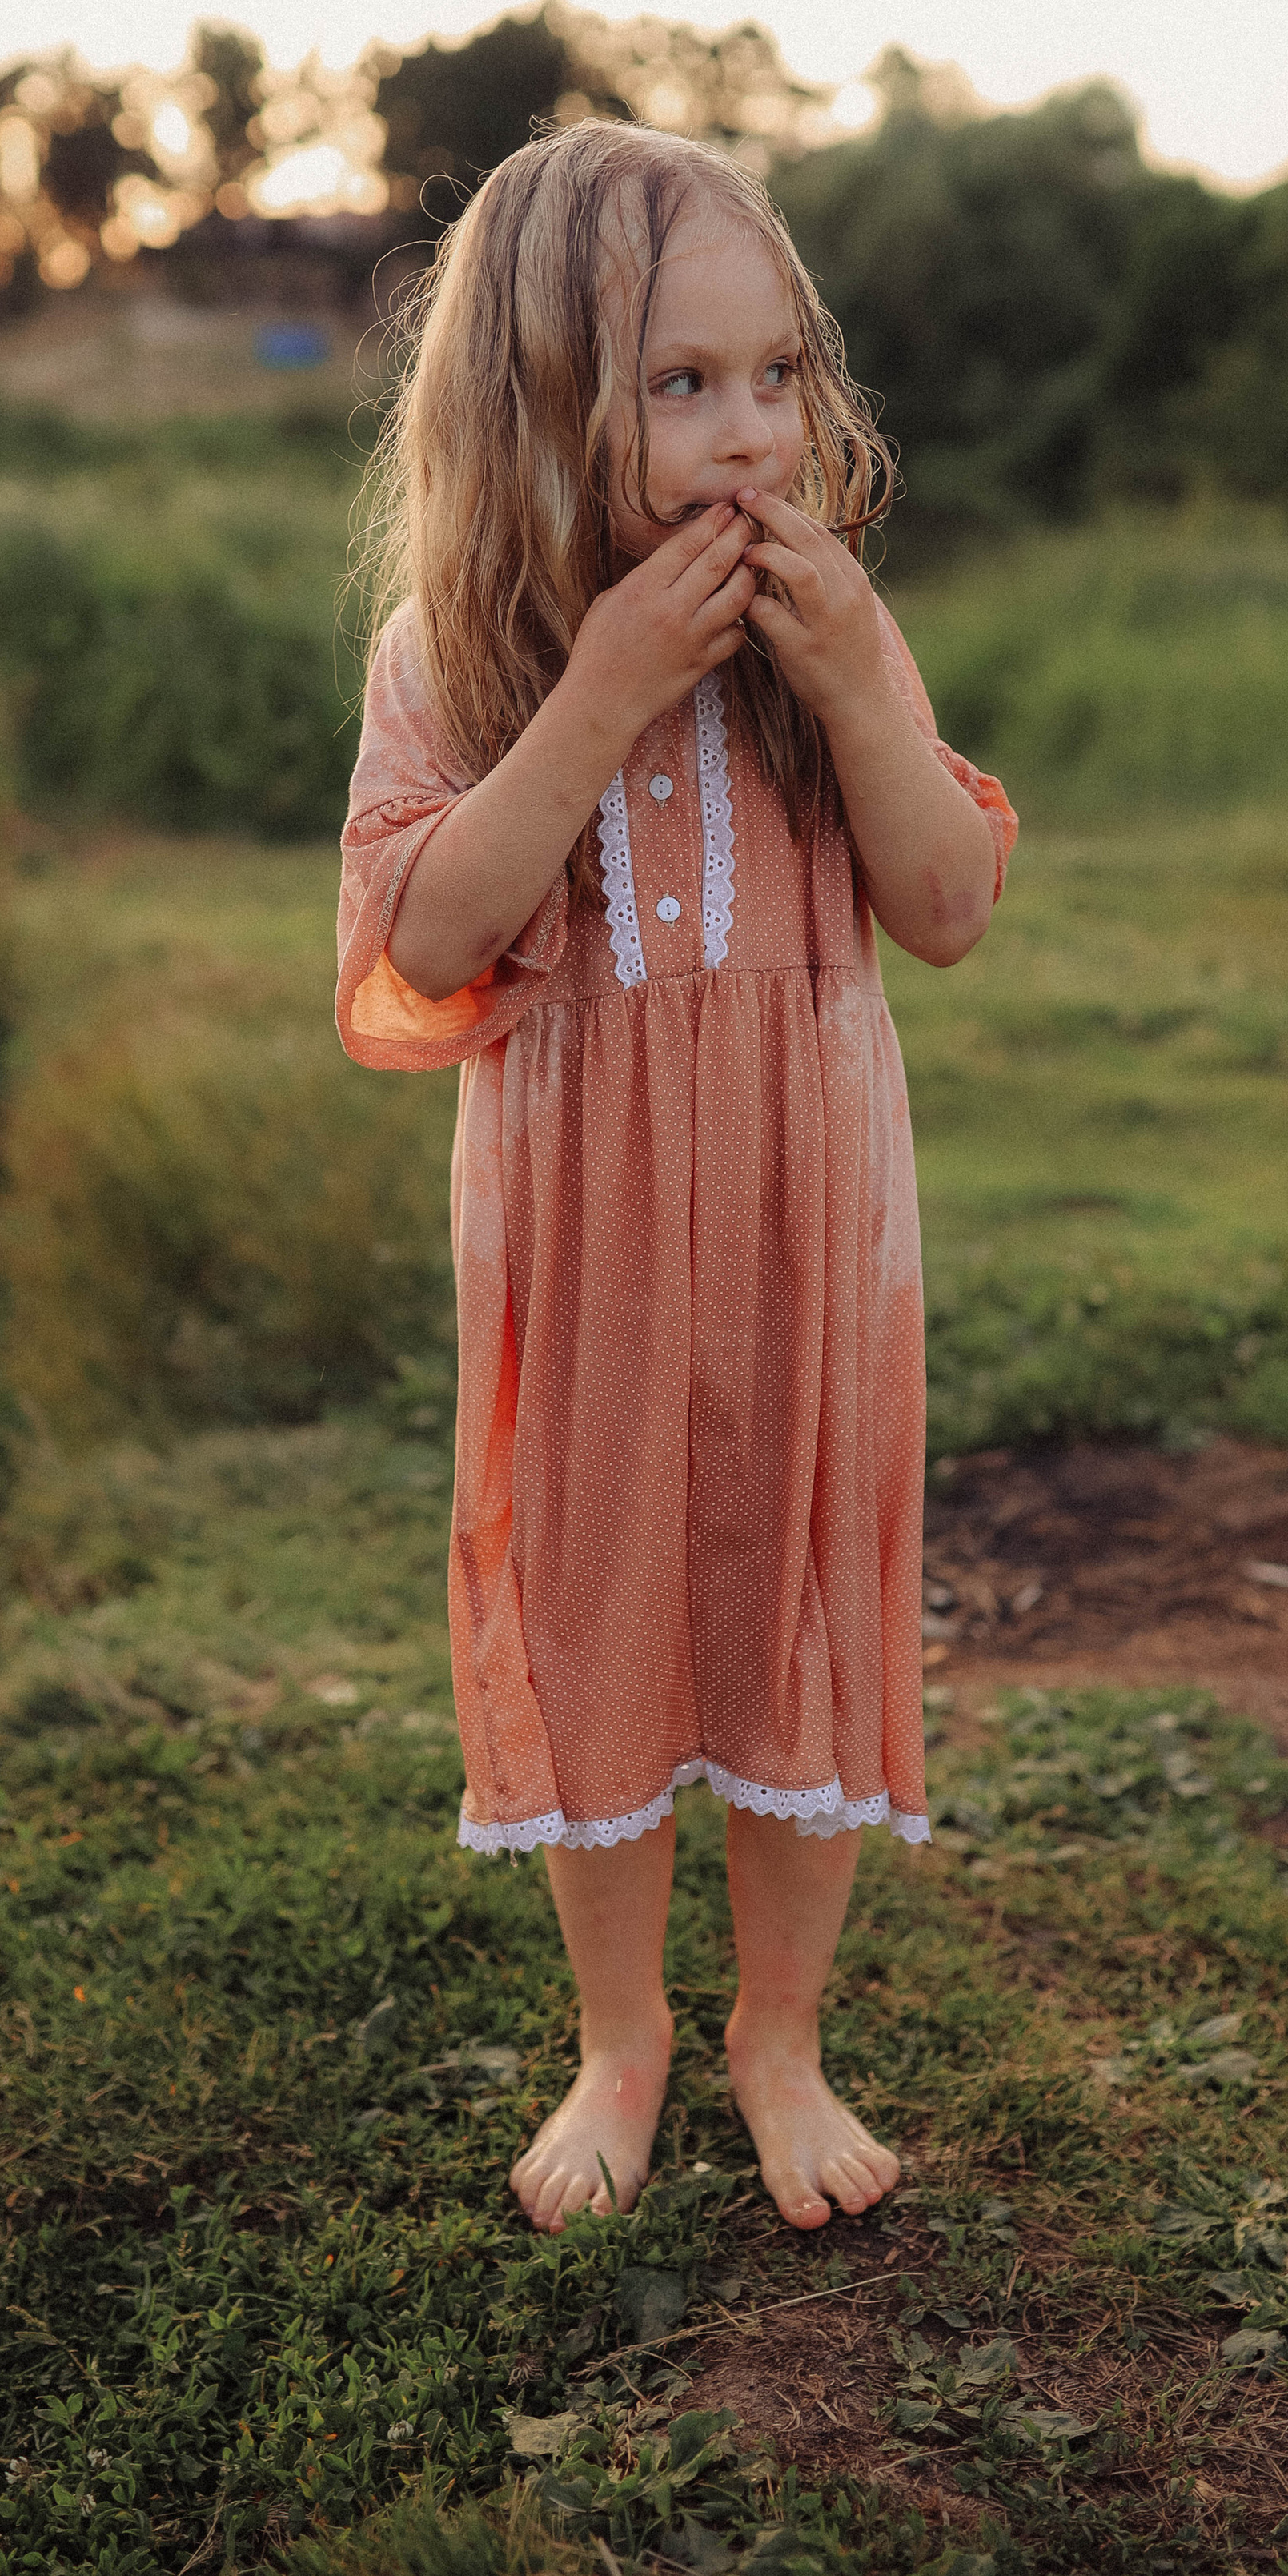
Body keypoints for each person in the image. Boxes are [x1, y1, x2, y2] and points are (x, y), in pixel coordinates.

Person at [336, 121, 1016, 2234]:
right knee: (603, 1591)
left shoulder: (832, 650)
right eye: (680, 385)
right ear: (542, 405)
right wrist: (607, 690)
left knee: (798, 1582)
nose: (749, 437)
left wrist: (850, 681)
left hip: (810, 1210)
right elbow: (424, 938)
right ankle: (623, 2036)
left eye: (777, 378)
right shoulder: (457, 656)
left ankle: (777, 2035)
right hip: (588, 1225)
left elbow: (948, 897)